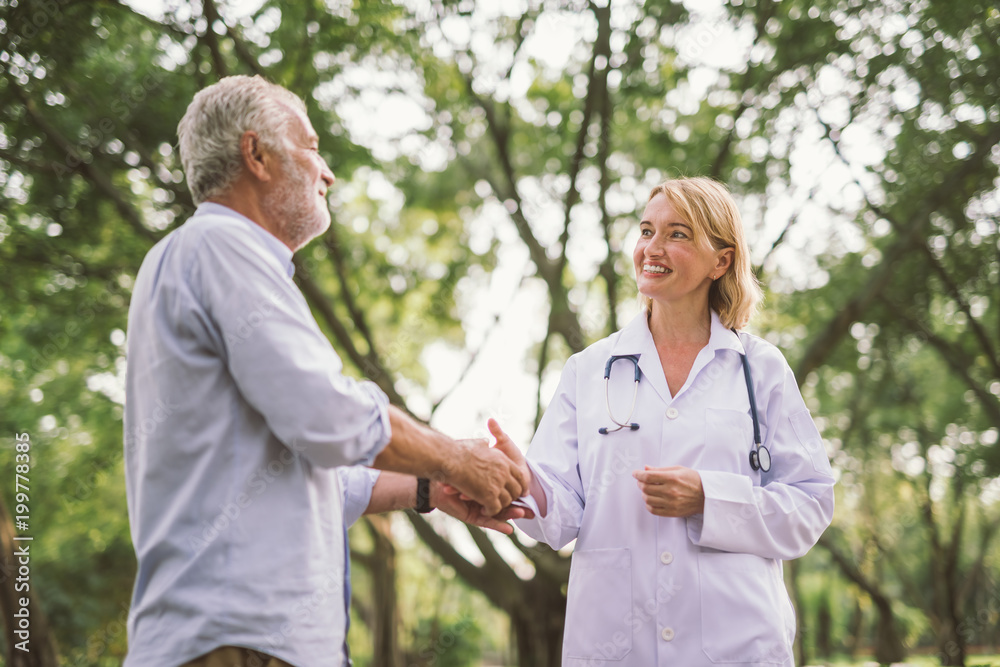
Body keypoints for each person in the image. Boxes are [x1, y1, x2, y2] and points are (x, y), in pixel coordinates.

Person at [123, 75, 527, 667]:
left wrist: (429, 488)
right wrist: (455, 457)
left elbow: (312, 478)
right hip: (237, 642)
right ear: (256, 154)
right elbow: (327, 418)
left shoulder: (208, 261)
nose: (327, 172)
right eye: (310, 147)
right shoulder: (220, 248)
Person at [493, 177, 836, 666]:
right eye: (646, 231)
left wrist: (708, 498)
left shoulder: (760, 369)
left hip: (738, 646)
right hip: (615, 644)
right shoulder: (590, 370)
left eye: (677, 234)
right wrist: (520, 480)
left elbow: (810, 503)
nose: (652, 248)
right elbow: (562, 514)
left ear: (721, 260)